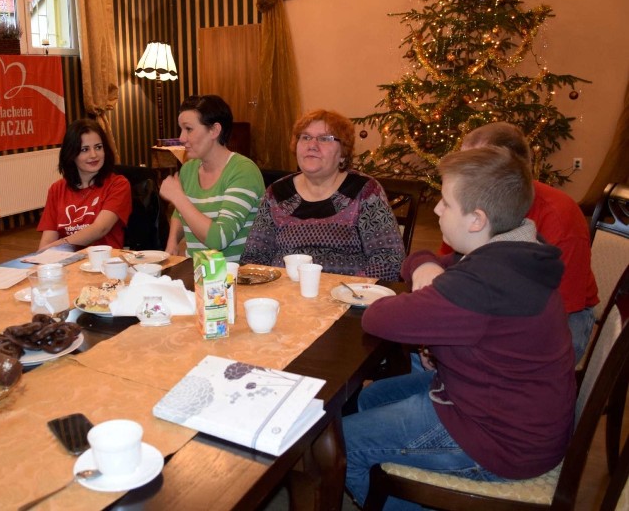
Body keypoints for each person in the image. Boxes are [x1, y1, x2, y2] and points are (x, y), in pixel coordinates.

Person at [342, 146, 576, 510]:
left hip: (498, 440)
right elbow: (424, 260)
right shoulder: (515, 250)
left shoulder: (485, 282)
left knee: (340, 443)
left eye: (446, 203)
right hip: (506, 406)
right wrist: (425, 269)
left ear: (476, 220)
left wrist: (429, 279)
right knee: (369, 398)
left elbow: (379, 317)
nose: (436, 209)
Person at [413, 122, 598, 363]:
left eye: (475, 166)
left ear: (510, 171)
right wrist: (426, 264)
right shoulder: (470, 207)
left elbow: (557, 311)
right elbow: (449, 266)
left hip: (555, 324)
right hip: (487, 307)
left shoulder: (558, 217)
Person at [241, 109, 405, 280]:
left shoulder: (363, 191)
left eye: (325, 138)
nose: (312, 145)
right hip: (285, 296)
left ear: (343, 153)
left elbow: (390, 260)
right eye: (305, 137)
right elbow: (254, 257)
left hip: (349, 297)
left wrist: (347, 290)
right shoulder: (277, 193)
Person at [160, 95, 264, 262]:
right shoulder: (189, 169)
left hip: (236, 278)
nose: (181, 138)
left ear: (214, 130)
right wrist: (172, 241)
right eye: (181, 129)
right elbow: (180, 214)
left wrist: (178, 197)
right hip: (197, 273)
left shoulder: (243, 171)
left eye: (189, 129)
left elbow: (219, 239)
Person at [37, 119, 132, 250]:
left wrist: (58, 245)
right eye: (84, 149)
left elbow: (100, 229)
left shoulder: (118, 184)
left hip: (104, 264)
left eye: (98, 147)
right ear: (71, 154)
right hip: (66, 263)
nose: (93, 155)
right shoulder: (57, 189)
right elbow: (47, 240)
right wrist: (41, 257)